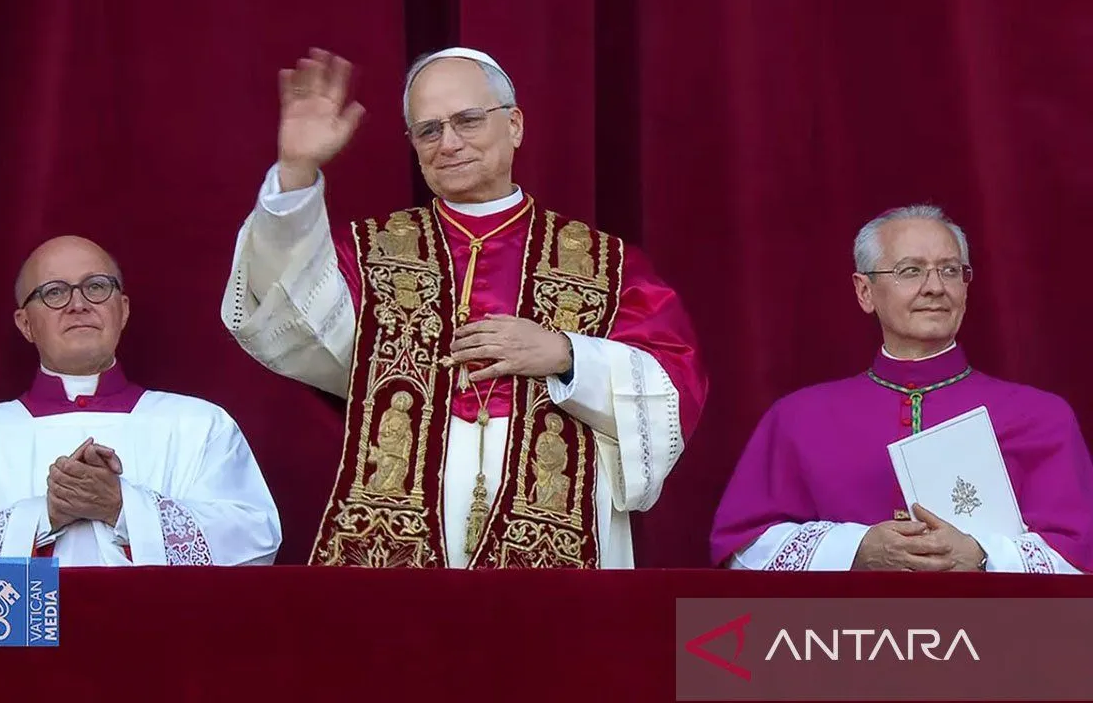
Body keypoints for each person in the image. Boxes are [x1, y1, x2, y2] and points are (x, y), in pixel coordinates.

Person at [221, 47, 707, 568]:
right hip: (398, 526)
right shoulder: (368, 255)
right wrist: (296, 170)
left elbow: (673, 389)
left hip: (559, 525)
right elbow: (289, 309)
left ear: (514, 125)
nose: (448, 143)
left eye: (468, 120)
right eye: (428, 130)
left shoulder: (605, 265)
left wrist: (568, 355)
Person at [711, 205, 1093, 573]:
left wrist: (982, 555)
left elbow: (1080, 556)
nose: (935, 287)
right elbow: (743, 550)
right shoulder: (798, 418)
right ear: (865, 291)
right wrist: (856, 549)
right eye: (911, 271)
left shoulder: (1040, 417)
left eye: (950, 270)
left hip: (992, 620)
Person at [0, 236, 281, 566]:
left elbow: (255, 542)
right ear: (26, 324)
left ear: (122, 310)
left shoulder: (199, 425)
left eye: (96, 286)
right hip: (16, 636)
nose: (78, 304)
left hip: (154, 632)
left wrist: (124, 507)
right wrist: (42, 516)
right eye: (54, 292)